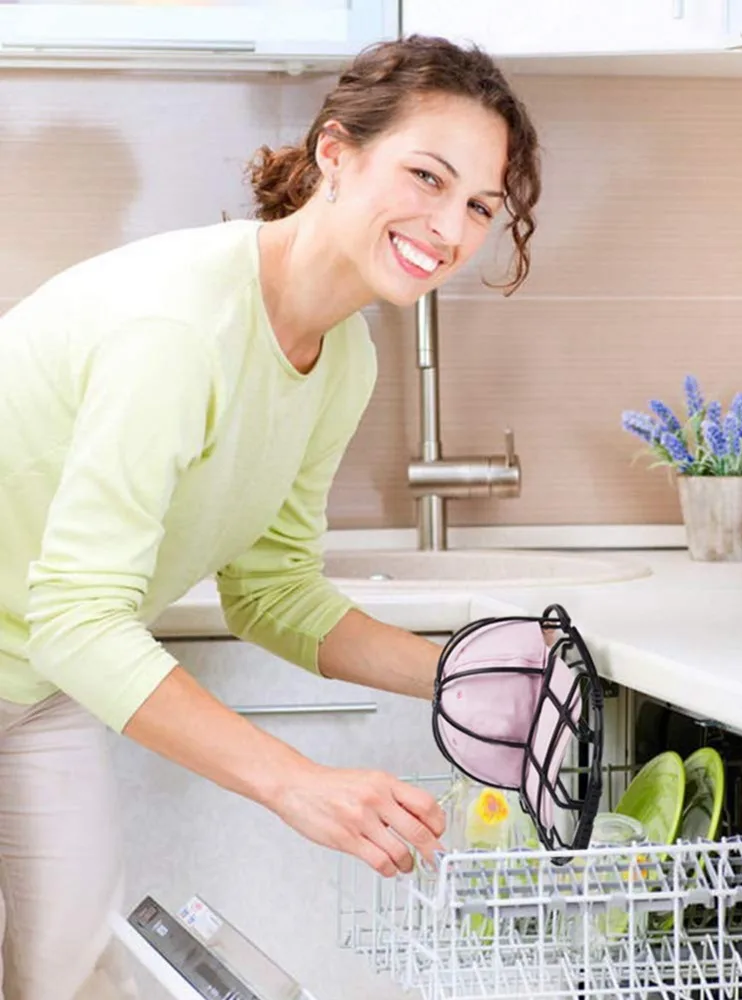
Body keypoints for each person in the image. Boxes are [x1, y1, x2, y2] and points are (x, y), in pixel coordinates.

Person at [0, 34, 541, 1000]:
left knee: (72, 976)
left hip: (34, 683)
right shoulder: (178, 327)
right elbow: (81, 615)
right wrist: (300, 783)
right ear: (336, 153)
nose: (449, 225)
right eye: (426, 175)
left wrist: (470, 680)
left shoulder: (343, 359)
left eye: (478, 206)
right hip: (50, 649)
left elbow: (272, 590)